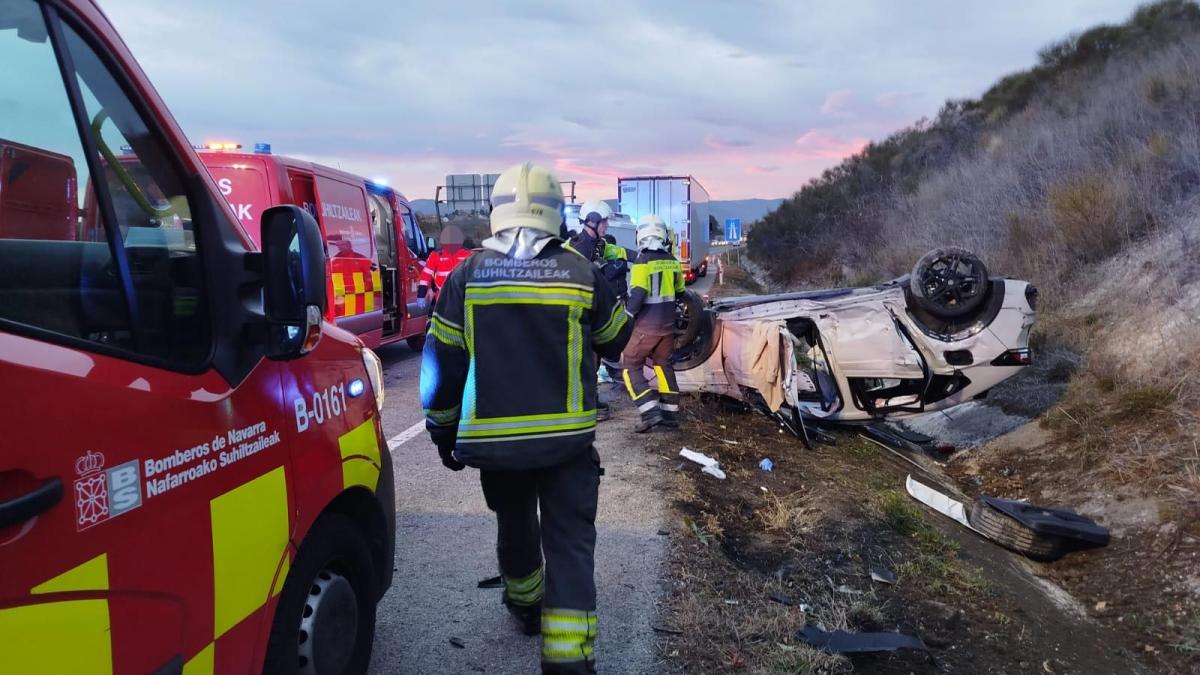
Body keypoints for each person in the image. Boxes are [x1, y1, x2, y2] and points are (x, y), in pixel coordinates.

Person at [420, 162, 632, 674]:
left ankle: (524, 605)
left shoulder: (467, 275)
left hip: (497, 446)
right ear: (558, 214)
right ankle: (567, 663)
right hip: (567, 448)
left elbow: (440, 364)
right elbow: (618, 339)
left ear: (496, 213)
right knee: (570, 547)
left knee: (514, 525)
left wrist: (442, 431)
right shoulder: (580, 270)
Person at [620, 214, 685, 432]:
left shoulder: (642, 261)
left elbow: (638, 293)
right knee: (663, 366)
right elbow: (681, 293)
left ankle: (650, 412)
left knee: (630, 365)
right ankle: (670, 417)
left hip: (645, 328)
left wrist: (626, 316)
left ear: (641, 235)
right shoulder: (673, 261)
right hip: (668, 328)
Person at [417, 224, 474, 304]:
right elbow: (425, 276)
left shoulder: (468, 255)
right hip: (443, 300)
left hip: (463, 298)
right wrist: (421, 294)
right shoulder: (436, 255)